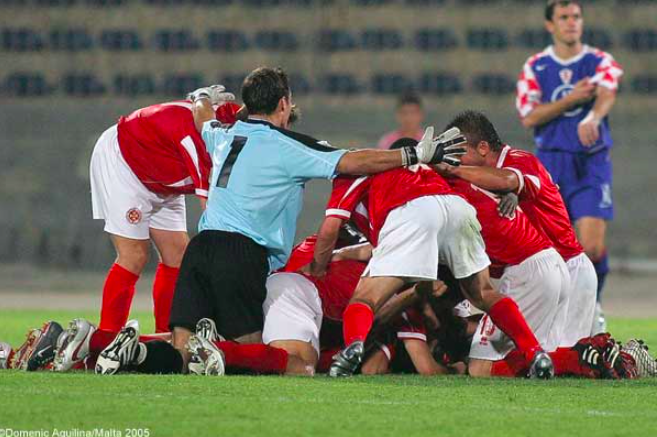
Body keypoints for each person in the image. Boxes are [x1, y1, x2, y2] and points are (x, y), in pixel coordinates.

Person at [94, 66, 463, 375]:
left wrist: (202, 96)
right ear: (284, 104)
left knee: (181, 348)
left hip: (201, 248)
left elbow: (202, 116)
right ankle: (207, 346)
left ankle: (125, 350)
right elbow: (352, 161)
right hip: (241, 255)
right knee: (250, 354)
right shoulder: (289, 145)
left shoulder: (222, 134)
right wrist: (414, 153)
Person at [311, 138, 555, 379]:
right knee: (484, 293)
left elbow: (330, 228)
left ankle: (353, 346)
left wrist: (318, 269)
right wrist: (511, 192)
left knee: (366, 297)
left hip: (411, 212)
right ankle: (534, 352)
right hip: (456, 207)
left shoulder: (353, 169)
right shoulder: (426, 167)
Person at [439, 110, 597, 348]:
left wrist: (455, 171)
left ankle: (617, 358)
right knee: (548, 358)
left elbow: (509, 180)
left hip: (567, 265)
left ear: (483, 148)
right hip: (535, 271)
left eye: (459, 154)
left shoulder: (521, 160)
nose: (455, 161)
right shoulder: (483, 177)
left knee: (566, 358)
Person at [89, 89, 240, 335]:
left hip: (165, 173)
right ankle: (105, 341)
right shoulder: (204, 141)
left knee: (179, 255)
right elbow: (213, 215)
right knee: (134, 255)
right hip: (127, 162)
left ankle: (165, 337)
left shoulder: (243, 122)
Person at [516, 0, 623, 333]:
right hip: (551, 163)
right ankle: (559, 311)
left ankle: (594, 305)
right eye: (563, 17)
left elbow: (607, 92)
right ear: (551, 25)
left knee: (590, 246)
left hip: (590, 162)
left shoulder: (598, 60)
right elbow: (529, 116)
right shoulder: (536, 67)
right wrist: (572, 100)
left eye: (576, 16)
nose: (571, 22)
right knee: (555, 247)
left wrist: (592, 115)